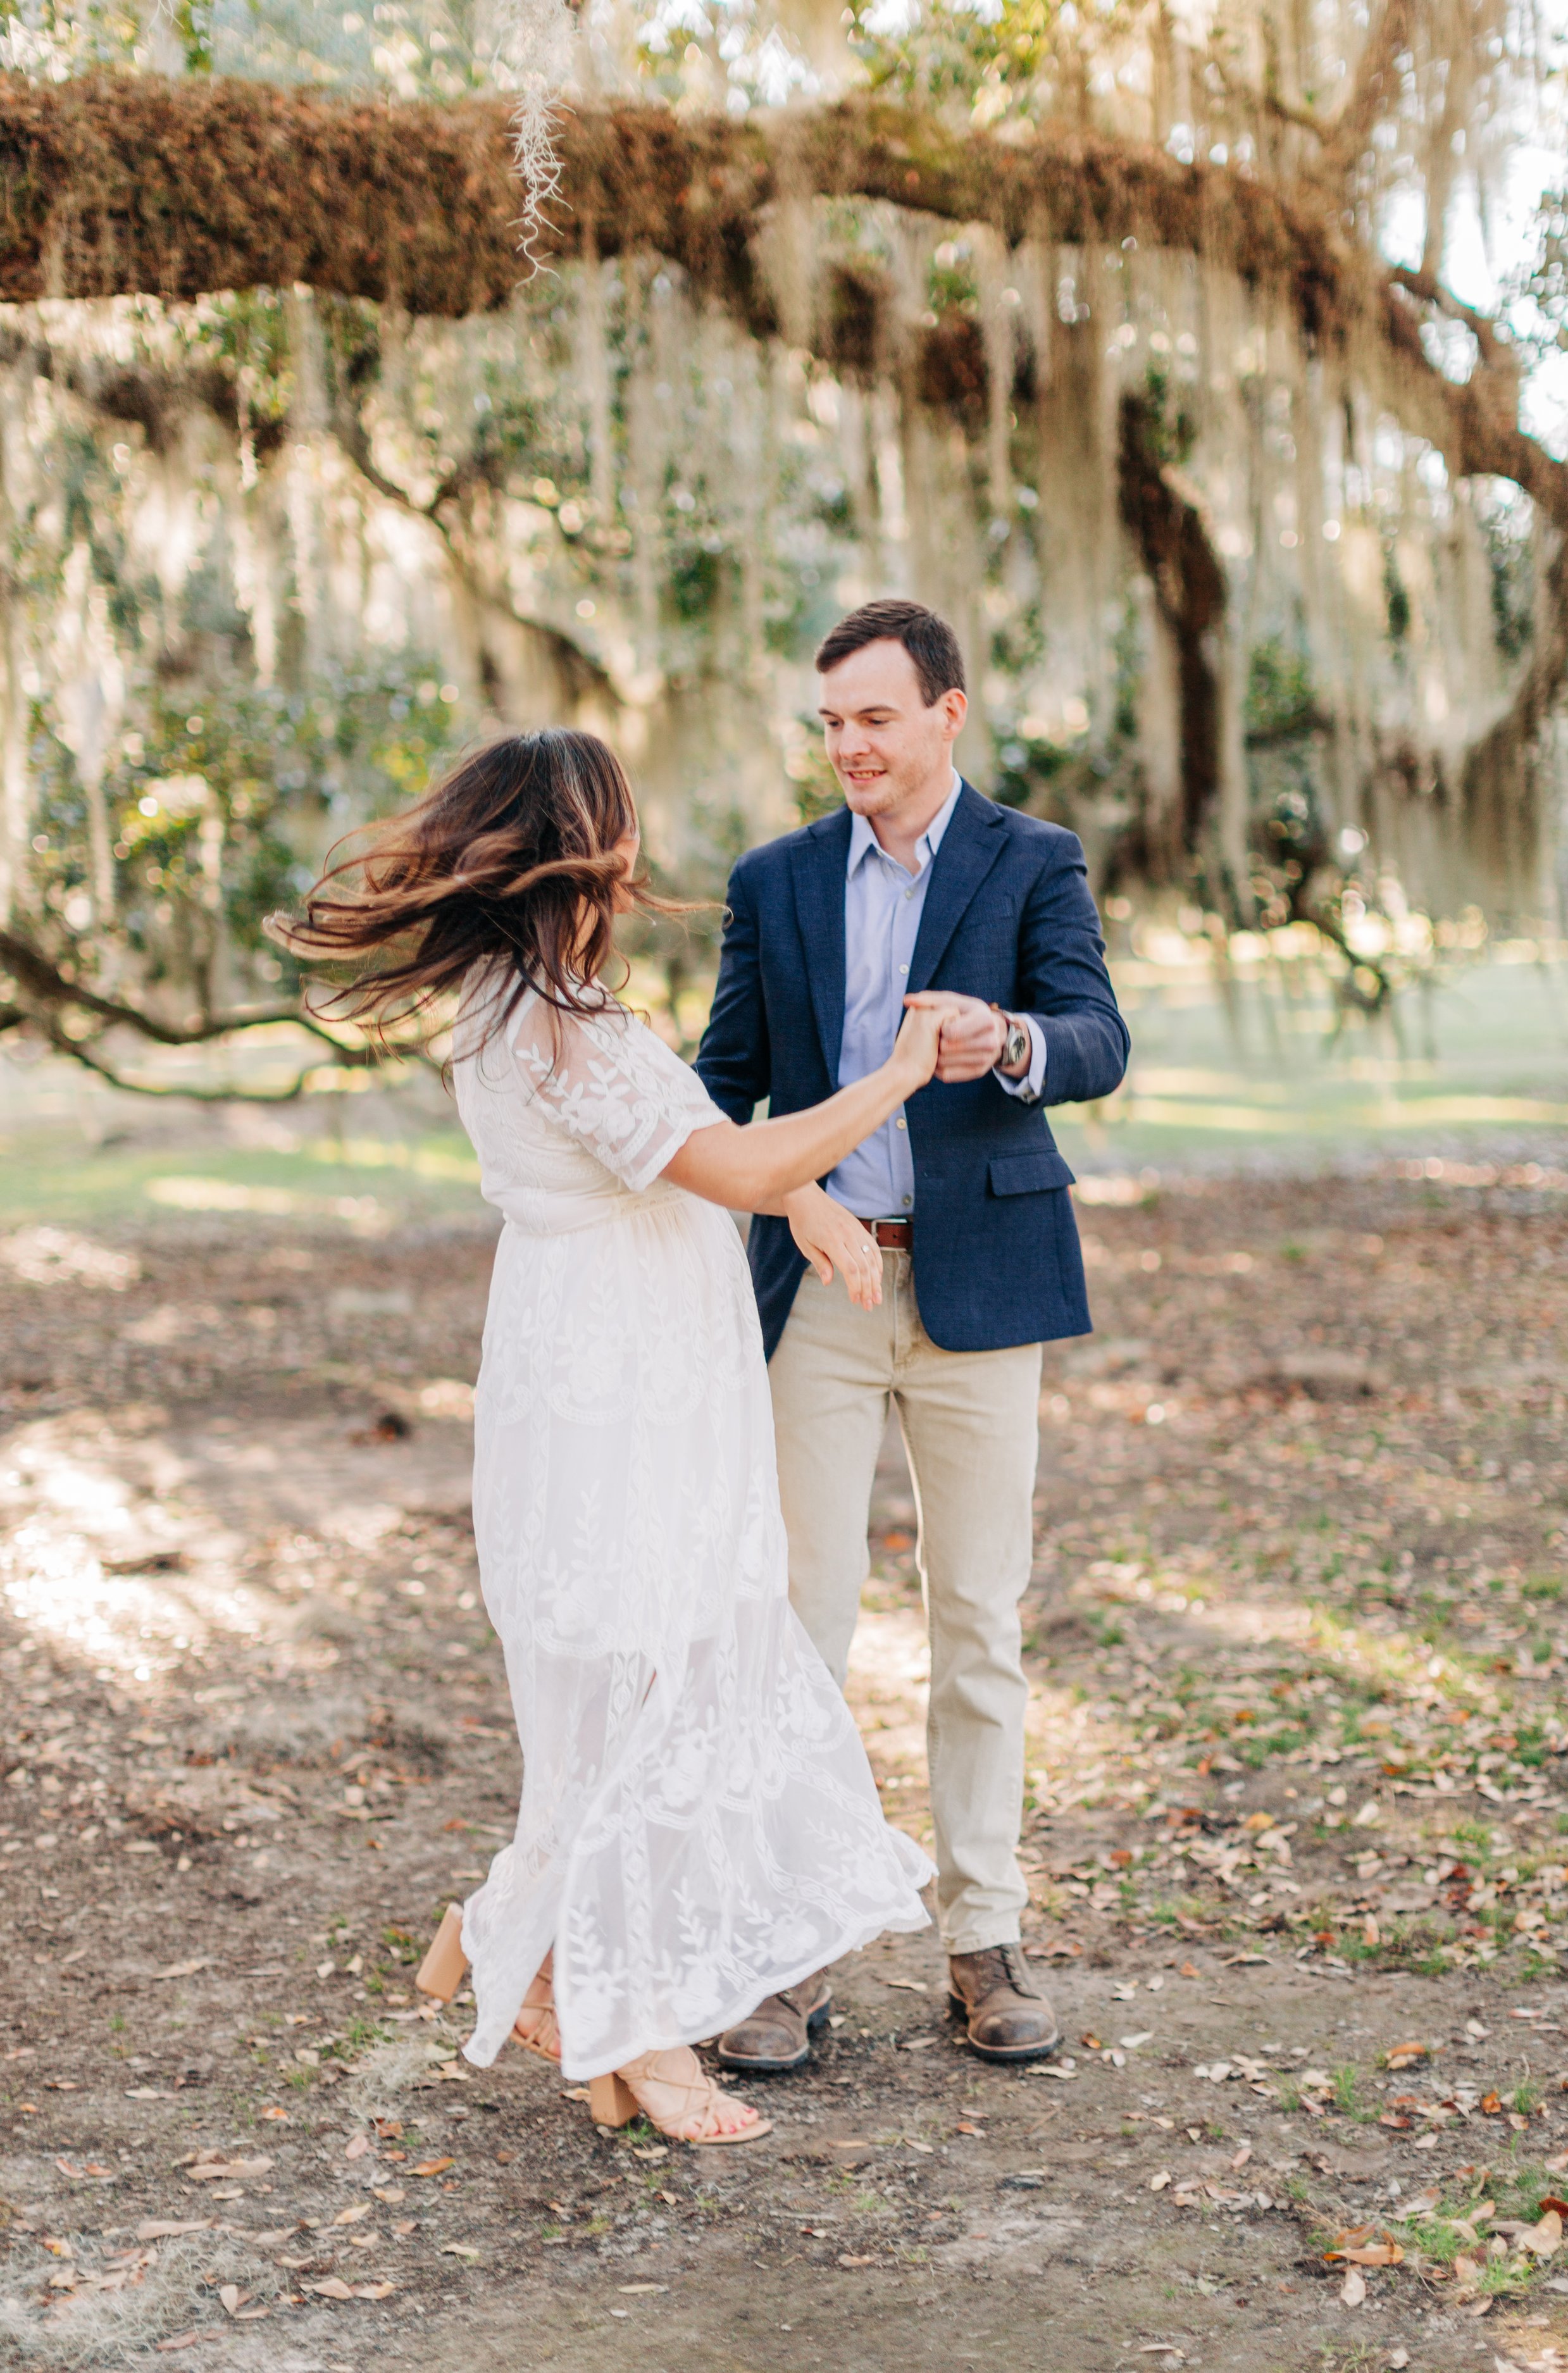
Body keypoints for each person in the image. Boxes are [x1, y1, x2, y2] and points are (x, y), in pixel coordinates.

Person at [280, 728, 941, 2146]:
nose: (634, 847)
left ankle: (526, 1941)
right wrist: (895, 1075)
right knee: (661, 1675)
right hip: (621, 1384)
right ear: (579, 845)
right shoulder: (561, 1021)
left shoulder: (524, 1000)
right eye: (617, 822)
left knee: (639, 1675)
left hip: (614, 1360)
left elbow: (683, 1144)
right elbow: (733, 1157)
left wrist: (803, 1201)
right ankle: (628, 2018)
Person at [695, 599, 1129, 2068]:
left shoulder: (1033, 859)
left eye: (873, 718)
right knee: (798, 1625)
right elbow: (719, 1088)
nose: (848, 746)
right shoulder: (774, 881)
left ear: (947, 712)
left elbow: (1096, 1038)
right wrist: (795, 1189)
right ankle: (788, 1953)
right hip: (818, 1288)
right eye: (830, 722)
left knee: (978, 1620)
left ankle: (980, 1941)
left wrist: (1009, 1042)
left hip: (982, 1289)